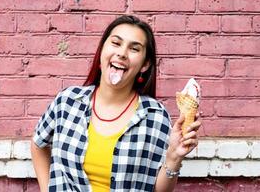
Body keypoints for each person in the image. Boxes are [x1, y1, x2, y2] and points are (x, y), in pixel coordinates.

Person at [31, 15, 201, 192]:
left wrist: (174, 157)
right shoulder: (67, 102)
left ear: (145, 64)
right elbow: (38, 144)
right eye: (116, 43)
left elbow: (159, 190)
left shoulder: (156, 116)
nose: (122, 53)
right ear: (102, 50)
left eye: (134, 49)